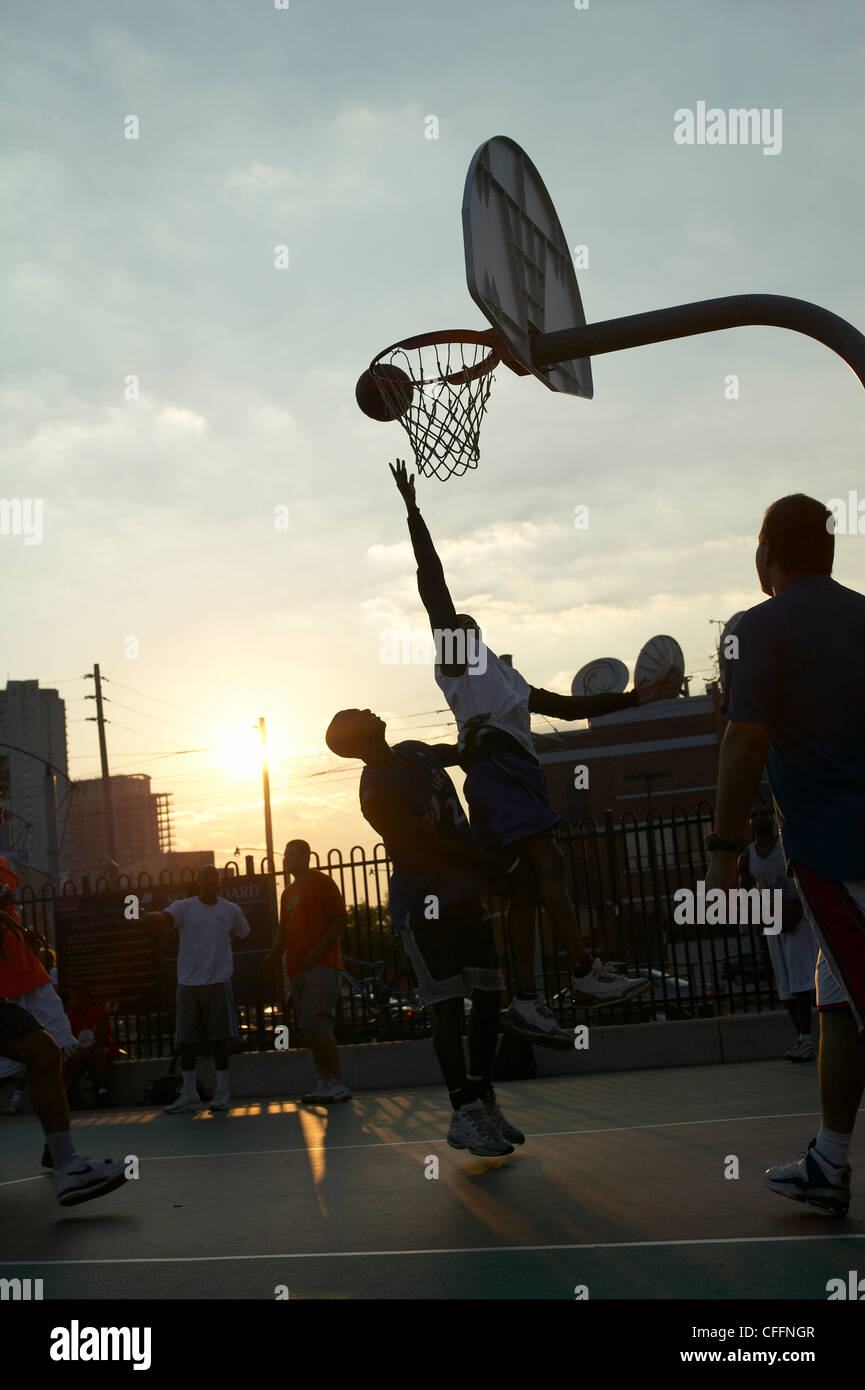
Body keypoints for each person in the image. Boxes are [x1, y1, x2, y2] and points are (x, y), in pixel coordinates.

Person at [388, 459, 676, 1038]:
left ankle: (524, 998)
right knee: (551, 865)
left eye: (467, 624)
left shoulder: (509, 681)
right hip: (498, 771)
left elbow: (573, 710)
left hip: (510, 775)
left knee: (526, 884)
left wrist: (641, 697)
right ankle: (584, 969)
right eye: (453, 626)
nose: (459, 627)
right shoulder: (458, 667)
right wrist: (414, 514)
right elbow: (433, 586)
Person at [706, 494, 865, 1217]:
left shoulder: (757, 628)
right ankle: (828, 1162)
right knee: (837, 1004)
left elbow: (744, 740)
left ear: (766, 553)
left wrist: (721, 850)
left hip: (838, 851)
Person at [326, 707, 531, 1157]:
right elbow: (429, 846)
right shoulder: (377, 792)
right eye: (358, 713)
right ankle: (462, 1111)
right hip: (424, 906)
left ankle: (481, 1096)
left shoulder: (415, 752)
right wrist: (498, 865)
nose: (369, 708)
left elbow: (456, 753)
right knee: (446, 1006)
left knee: (489, 994)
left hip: (463, 895)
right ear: (356, 741)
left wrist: (483, 736)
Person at [0, 828, 128, 1205]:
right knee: (43, 1054)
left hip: (20, 982)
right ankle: (63, 1158)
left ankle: (62, 1156)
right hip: (11, 988)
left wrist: (18, 931)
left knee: (48, 1053)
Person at [139, 865, 250, 1113]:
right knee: (186, 1042)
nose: (212, 883)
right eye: (207, 879)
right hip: (188, 984)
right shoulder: (184, 907)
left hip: (218, 983)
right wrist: (149, 916)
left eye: (215, 879)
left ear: (219, 883)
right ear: (198, 882)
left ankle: (222, 1093)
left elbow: (244, 933)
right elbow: (165, 918)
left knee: (220, 1040)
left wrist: (225, 952)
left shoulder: (231, 910)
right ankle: (189, 1094)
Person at [259, 839, 351, 1105]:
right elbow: (283, 932)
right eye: (285, 855)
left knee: (319, 1022)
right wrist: (272, 956)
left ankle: (338, 1083)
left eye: (291, 854)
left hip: (322, 966)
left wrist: (316, 951)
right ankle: (324, 1082)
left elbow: (340, 919)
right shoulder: (287, 893)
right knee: (310, 1028)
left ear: (306, 856)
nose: (286, 859)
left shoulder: (322, 882)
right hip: (297, 969)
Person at [737, 806, 817, 1061]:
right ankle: (801, 1039)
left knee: (801, 981)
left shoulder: (786, 844)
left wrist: (798, 905)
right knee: (784, 986)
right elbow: (745, 894)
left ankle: (808, 1037)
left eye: (765, 814)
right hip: (773, 921)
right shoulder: (747, 858)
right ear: (750, 823)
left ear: (773, 819)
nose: (761, 819)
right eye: (756, 816)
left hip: (797, 916)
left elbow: (806, 873)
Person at [64, 983, 119, 1106]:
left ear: (82, 998)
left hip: (97, 1051)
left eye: (73, 998)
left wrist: (82, 1052)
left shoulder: (98, 1012)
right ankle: (70, 1093)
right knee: (65, 1059)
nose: (70, 1002)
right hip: (79, 1052)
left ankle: (102, 1092)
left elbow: (101, 1040)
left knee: (99, 1055)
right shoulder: (69, 1016)